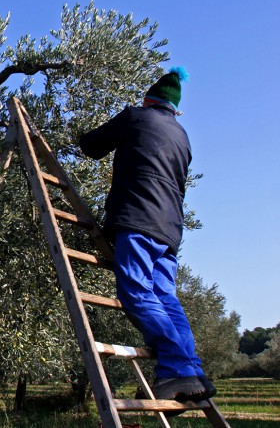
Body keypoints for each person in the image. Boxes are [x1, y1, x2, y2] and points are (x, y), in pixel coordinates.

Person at [79, 67, 215, 402]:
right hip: (170, 231)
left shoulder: (136, 117)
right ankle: (192, 371)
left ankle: (178, 368)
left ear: (149, 100)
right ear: (173, 108)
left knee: (136, 292)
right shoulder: (183, 137)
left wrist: (77, 136)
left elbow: (92, 146)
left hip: (138, 220)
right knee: (166, 297)